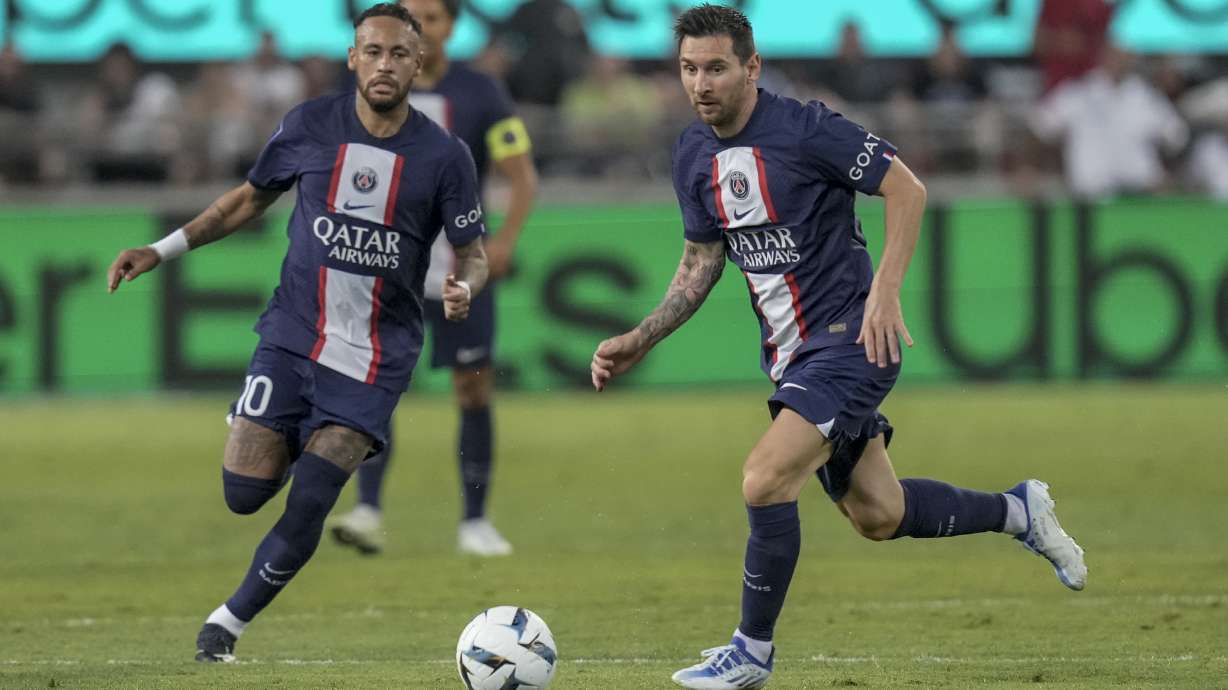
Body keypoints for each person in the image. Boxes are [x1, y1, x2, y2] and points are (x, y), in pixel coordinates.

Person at [588, 6, 1087, 688]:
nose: (700, 83)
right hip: (795, 358)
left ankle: (751, 653)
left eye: (715, 67)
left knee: (764, 478)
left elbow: (906, 189)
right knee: (880, 514)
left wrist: (885, 291)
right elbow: (702, 260)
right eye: (688, 69)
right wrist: (643, 336)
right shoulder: (692, 154)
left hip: (854, 341)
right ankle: (1017, 509)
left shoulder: (807, 129)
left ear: (752, 66)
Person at [105, 3, 488, 662]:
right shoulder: (310, 125)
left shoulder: (443, 155)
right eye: (373, 51)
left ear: (418, 63)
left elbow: (472, 250)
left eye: (399, 53)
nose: (385, 65)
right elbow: (245, 200)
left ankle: (226, 624)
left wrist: (465, 285)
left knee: (311, 496)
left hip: (374, 357)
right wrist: (161, 249)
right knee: (244, 493)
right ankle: (300, 433)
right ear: (352, 57)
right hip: (293, 336)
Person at [327, 0, 538, 558]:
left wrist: (504, 244)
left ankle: (475, 519)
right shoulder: (369, 88)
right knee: (377, 389)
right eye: (412, 16)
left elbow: (521, 176)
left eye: (433, 18)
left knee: (472, 387)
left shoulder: (481, 92)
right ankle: (368, 509)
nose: (422, 28)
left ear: (451, 27)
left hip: (460, 266)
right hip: (383, 269)